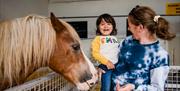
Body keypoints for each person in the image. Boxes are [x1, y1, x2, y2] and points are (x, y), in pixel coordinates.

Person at [111, 5, 176, 91]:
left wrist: (134, 87)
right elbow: (113, 60)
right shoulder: (127, 41)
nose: (128, 28)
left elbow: (157, 88)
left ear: (140, 28)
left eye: (129, 25)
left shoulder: (160, 55)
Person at [91, 13, 119, 91]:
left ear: (113, 26)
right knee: (106, 87)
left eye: (109, 24)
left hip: (117, 66)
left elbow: (117, 52)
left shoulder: (115, 39)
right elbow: (95, 53)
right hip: (106, 66)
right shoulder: (97, 39)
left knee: (115, 87)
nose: (106, 26)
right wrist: (107, 62)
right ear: (98, 27)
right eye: (102, 24)